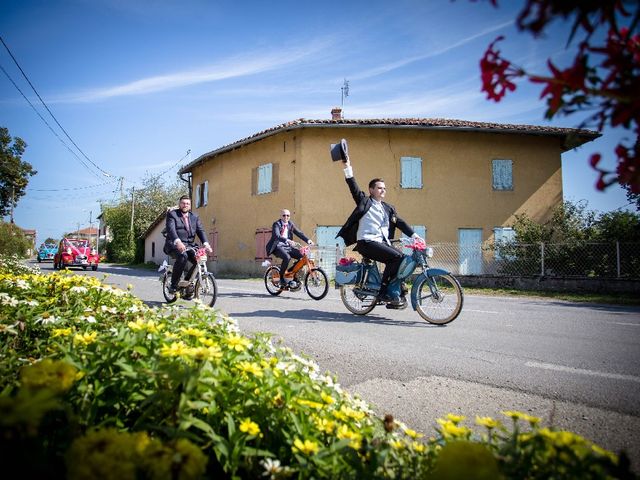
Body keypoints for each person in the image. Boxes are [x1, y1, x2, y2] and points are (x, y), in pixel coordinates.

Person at [336, 156, 423, 307]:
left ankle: (394, 290)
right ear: (371, 190)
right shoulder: (365, 201)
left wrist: (415, 236)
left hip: (380, 242)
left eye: (384, 188)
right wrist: (347, 166)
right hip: (366, 242)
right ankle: (384, 291)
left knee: (402, 258)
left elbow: (400, 222)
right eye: (380, 188)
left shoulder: (388, 208)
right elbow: (353, 186)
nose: (383, 190)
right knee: (396, 257)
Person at [164, 195, 212, 293]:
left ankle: (187, 282)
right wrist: (178, 242)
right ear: (179, 204)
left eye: (187, 203)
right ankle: (173, 285)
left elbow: (200, 231)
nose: (185, 205)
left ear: (190, 206)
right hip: (173, 245)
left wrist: (206, 244)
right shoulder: (172, 215)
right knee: (183, 256)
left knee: (199, 259)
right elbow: (171, 230)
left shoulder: (194, 217)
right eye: (183, 203)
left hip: (189, 246)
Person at [265, 209, 314, 288]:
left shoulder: (290, 224)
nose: (286, 217)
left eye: (288, 215)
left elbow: (299, 233)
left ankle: (290, 273)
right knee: (287, 257)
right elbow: (277, 236)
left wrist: (308, 240)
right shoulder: (276, 224)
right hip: (277, 246)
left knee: (301, 256)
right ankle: (281, 278)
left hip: (287, 246)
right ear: (281, 216)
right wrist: (287, 240)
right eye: (284, 215)